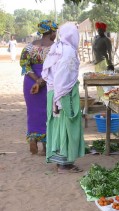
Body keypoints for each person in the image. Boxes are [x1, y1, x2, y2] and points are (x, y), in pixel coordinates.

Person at [36, 23, 85, 173]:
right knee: (66, 127)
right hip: (63, 95)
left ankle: (62, 162)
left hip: (54, 93)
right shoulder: (68, 51)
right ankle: (64, 165)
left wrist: (55, 98)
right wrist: (58, 100)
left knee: (58, 127)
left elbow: (48, 73)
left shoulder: (57, 48)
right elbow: (62, 78)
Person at [20, 20, 58, 155]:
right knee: (48, 112)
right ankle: (46, 146)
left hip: (30, 83)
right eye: (55, 31)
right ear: (52, 32)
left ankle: (33, 139)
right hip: (48, 82)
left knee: (33, 112)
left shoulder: (29, 47)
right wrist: (42, 80)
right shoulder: (55, 47)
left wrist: (36, 80)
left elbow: (25, 66)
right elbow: (55, 67)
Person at [92, 22, 114, 99]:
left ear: (104, 30)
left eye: (101, 30)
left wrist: (110, 64)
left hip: (103, 63)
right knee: (98, 82)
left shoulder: (106, 40)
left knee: (104, 83)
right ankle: (100, 98)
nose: (99, 31)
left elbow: (110, 52)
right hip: (97, 63)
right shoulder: (95, 38)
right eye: (98, 30)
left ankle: (106, 98)